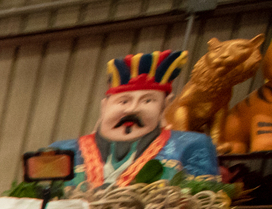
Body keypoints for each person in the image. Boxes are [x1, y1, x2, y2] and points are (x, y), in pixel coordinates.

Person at [46, 50, 219, 187]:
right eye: (123, 101)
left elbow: (207, 206)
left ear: (164, 106)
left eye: (147, 100)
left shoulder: (190, 146)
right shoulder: (62, 151)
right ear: (104, 106)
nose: (132, 109)